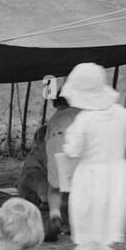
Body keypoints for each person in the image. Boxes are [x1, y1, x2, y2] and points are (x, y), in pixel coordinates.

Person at [59, 63, 126, 248]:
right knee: (111, 219)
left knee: (88, 221)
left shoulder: (84, 120)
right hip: (118, 173)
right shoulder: (124, 114)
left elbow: (72, 150)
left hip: (91, 175)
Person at [42, 95, 80, 242]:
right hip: (75, 149)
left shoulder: (54, 118)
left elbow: (46, 141)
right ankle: (74, 225)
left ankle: (55, 215)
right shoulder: (81, 115)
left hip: (56, 147)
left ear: (57, 104)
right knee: (75, 189)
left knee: (55, 188)